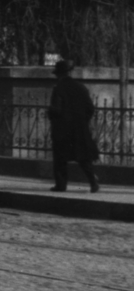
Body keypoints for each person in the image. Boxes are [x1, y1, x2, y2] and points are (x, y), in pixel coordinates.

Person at [48, 58, 100, 193]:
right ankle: (93, 182)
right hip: (79, 128)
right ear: (70, 72)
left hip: (62, 129)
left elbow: (56, 110)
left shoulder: (58, 88)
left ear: (59, 74)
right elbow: (90, 108)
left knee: (60, 158)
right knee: (83, 157)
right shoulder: (81, 87)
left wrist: (50, 113)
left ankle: (61, 185)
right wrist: (82, 121)